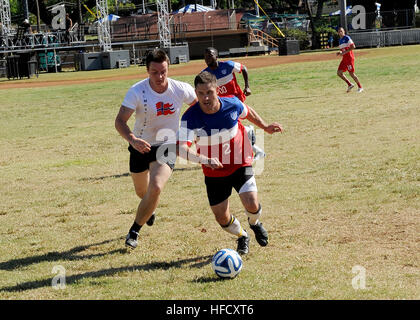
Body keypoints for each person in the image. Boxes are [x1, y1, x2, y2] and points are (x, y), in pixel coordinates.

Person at [178, 71, 284, 255]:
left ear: (217, 90)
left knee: (251, 203)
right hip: (214, 172)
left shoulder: (231, 104)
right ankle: (242, 235)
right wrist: (205, 160)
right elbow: (181, 149)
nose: (205, 97)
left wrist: (265, 127)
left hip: (239, 162)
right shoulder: (190, 118)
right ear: (195, 93)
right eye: (201, 93)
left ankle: (255, 223)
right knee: (222, 218)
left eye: (209, 92)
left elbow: (247, 111)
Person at [115, 49, 198, 249]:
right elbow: (120, 121)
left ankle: (134, 231)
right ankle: (149, 209)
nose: (160, 77)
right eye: (155, 72)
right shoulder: (137, 91)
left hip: (167, 145)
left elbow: (198, 109)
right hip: (140, 147)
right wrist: (132, 139)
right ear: (147, 71)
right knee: (142, 192)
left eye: (163, 71)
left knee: (157, 187)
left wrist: (189, 134)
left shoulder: (181, 89)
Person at [203, 47, 266, 160]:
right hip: (223, 105)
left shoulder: (228, 65)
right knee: (230, 127)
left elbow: (244, 68)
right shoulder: (205, 74)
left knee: (232, 127)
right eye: (205, 56)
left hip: (236, 100)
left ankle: (250, 138)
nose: (207, 58)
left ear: (216, 56)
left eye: (210, 55)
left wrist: (247, 86)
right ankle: (253, 143)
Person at [336, 27, 363, 93]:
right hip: (344, 59)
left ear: (344, 31)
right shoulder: (340, 40)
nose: (340, 33)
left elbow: (353, 46)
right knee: (339, 73)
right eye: (339, 31)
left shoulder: (347, 38)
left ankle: (360, 87)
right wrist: (340, 52)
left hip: (349, 58)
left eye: (341, 31)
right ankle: (350, 84)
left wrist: (344, 52)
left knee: (351, 73)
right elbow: (343, 49)